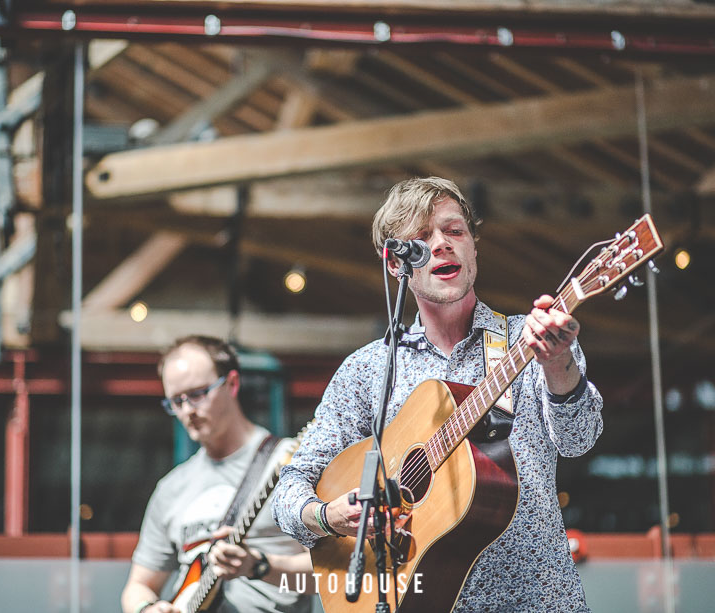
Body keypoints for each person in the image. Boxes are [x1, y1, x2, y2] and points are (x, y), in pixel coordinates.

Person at [271, 177, 603, 612]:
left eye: (454, 231)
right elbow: (289, 491)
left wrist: (559, 364)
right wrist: (328, 516)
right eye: (422, 238)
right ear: (396, 264)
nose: (443, 244)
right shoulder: (368, 369)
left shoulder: (531, 338)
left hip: (536, 600)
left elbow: (579, 441)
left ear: (473, 247)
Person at [121, 335, 313, 613]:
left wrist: (260, 566)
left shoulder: (290, 462)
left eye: (198, 394)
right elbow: (138, 585)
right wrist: (146, 608)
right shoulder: (171, 487)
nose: (188, 411)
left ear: (232, 384)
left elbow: (328, 575)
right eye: (176, 401)